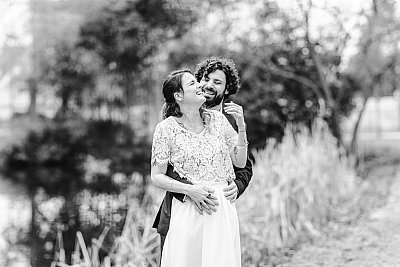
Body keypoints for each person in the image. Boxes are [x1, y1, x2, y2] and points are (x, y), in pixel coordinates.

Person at [152, 57, 253, 256]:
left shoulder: (223, 120)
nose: (206, 85)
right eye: (204, 79)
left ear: (226, 90)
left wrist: (237, 185)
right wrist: (192, 191)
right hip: (183, 209)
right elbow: (163, 171)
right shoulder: (168, 126)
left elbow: (243, 165)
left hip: (220, 209)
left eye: (217, 82)